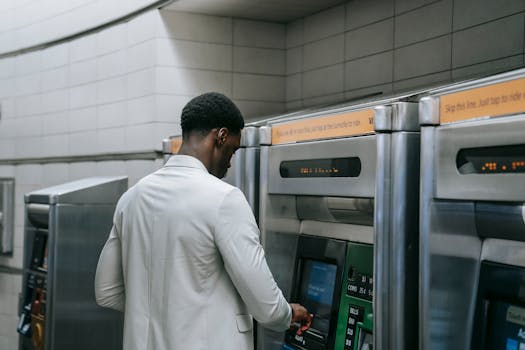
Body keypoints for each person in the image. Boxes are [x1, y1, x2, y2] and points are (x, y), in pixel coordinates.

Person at [94, 92, 312, 350]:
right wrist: (288, 314)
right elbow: (267, 308)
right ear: (220, 136)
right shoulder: (224, 200)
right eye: (232, 149)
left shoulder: (131, 199)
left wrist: (159, 314)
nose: (230, 162)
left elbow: (106, 292)